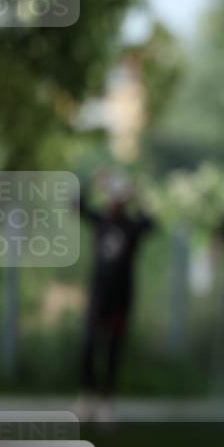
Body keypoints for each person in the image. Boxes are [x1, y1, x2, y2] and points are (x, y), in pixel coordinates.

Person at [76, 172, 154, 421]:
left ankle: (106, 401)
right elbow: (77, 205)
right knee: (89, 346)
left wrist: (137, 194)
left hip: (121, 298)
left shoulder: (132, 226)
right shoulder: (100, 221)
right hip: (98, 296)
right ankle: (87, 396)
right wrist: (96, 181)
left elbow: (151, 221)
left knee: (113, 351)